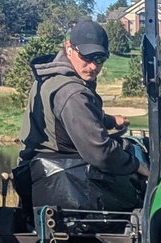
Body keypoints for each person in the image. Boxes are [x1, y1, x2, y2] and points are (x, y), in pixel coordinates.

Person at [17, 21, 147, 211]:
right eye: (86, 57)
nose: (93, 66)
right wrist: (137, 166)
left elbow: (78, 116)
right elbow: (101, 153)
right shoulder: (72, 93)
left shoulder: (50, 76)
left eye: (100, 58)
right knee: (134, 163)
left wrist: (110, 120)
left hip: (39, 174)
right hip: (67, 181)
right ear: (69, 48)